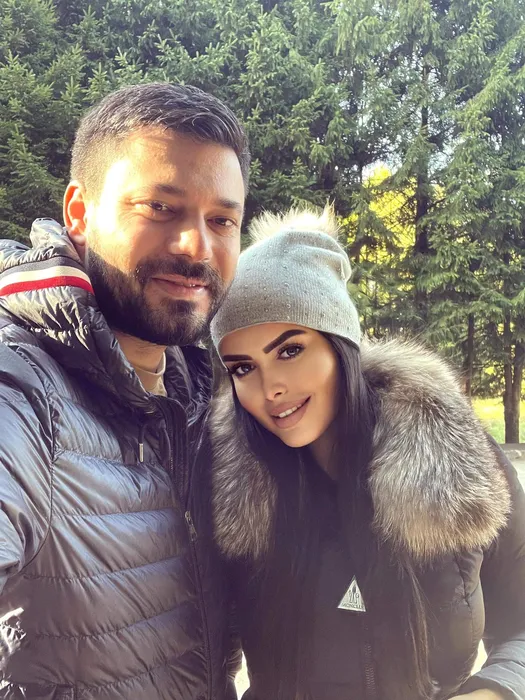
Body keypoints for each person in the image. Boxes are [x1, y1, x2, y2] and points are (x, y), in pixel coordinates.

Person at [209, 208, 525, 700]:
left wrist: (493, 692)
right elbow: (206, 661)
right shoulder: (233, 492)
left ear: (341, 344)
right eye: (243, 368)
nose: (270, 388)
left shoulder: (454, 458)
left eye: (290, 350)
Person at [0, 82, 248, 699]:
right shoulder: (22, 387)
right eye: (160, 207)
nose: (197, 247)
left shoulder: (205, 392)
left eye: (222, 220)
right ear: (78, 213)